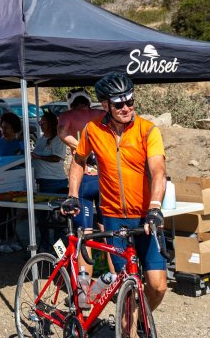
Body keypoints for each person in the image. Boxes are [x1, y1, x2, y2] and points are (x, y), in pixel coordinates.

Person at [66, 73, 168, 311]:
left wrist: (155, 206)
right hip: (113, 217)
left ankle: (141, 317)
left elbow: (159, 171)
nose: (126, 108)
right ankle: (128, 333)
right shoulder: (93, 130)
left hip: (145, 215)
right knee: (125, 285)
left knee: (157, 285)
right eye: (119, 104)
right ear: (105, 105)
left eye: (130, 101)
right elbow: (78, 160)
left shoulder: (147, 130)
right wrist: (72, 194)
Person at [58, 90, 105, 234]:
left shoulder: (67, 115)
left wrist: (81, 148)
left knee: (84, 234)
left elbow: (62, 133)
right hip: (103, 176)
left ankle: (84, 257)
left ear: (71, 103)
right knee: (109, 232)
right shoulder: (101, 113)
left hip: (82, 177)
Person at [31, 110, 69, 249]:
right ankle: (46, 248)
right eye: (40, 122)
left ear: (51, 123)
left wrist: (38, 157)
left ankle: (60, 251)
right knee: (42, 218)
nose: (40, 124)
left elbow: (57, 158)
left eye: (43, 122)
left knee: (57, 220)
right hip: (41, 182)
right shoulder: (41, 138)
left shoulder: (58, 139)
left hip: (55, 183)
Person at [0, 111, 25, 254]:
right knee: (3, 212)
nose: (3, 130)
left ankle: (12, 239)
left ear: (14, 128)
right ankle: (2, 241)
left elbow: (24, 163)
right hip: (0, 184)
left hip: (15, 184)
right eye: (2, 127)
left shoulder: (20, 144)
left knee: (13, 212)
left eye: (7, 128)